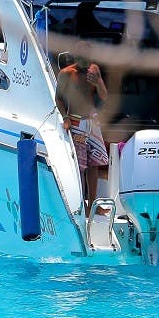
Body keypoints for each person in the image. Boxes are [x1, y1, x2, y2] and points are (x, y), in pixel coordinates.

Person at [55, 42, 110, 215]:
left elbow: (104, 96)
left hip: (92, 122)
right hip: (76, 122)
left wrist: (99, 82)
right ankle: (79, 204)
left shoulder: (94, 70)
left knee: (94, 165)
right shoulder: (66, 74)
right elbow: (58, 99)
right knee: (80, 167)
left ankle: (93, 205)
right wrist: (65, 118)